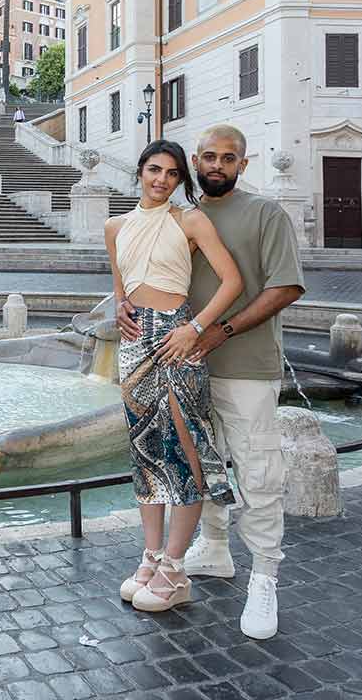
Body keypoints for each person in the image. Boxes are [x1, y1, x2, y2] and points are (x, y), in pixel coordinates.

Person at [118, 124, 305, 640]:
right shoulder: (179, 215)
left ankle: (265, 577)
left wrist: (215, 329)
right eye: (208, 157)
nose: (217, 165)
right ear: (195, 162)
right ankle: (215, 550)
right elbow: (139, 271)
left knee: (259, 473)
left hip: (243, 364)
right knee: (201, 462)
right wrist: (123, 306)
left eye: (229, 158)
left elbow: (285, 286)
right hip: (180, 366)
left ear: (243, 164)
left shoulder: (265, 213)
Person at [105, 140, 243, 616]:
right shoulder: (115, 226)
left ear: (181, 179)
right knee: (144, 452)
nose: (161, 179)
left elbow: (233, 281)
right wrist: (120, 309)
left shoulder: (189, 220)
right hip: (133, 343)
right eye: (153, 170)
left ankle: (175, 567)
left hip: (178, 339)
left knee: (184, 449)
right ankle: (150, 555)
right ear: (139, 172)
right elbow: (121, 289)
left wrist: (197, 327)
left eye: (171, 173)